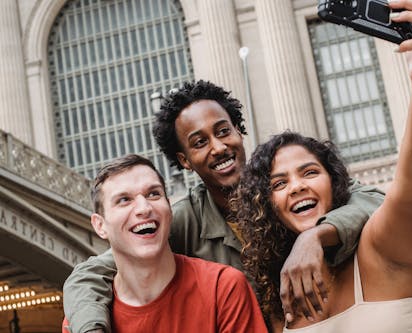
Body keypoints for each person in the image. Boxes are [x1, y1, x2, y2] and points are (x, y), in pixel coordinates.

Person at [63, 80, 384, 333]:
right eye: (200, 142)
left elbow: (375, 201)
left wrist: (313, 237)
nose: (218, 147)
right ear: (184, 160)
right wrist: (91, 327)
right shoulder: (182, 220)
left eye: (223, 131)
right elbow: (89, 274)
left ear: (239, 131)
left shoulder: (285, 185)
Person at [232, 1, 412, 331]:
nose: (297, 186)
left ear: (336, 184)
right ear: (267, 207)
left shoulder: (381, 249)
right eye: (278, 183)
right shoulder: (282, 298)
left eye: (310, 172)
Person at [62, 154, 267, 332]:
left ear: (169, 209)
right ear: (100, 225)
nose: (144, 208)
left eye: (153, 194)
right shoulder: (83, 320)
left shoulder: (223, 288)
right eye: (124, 200)